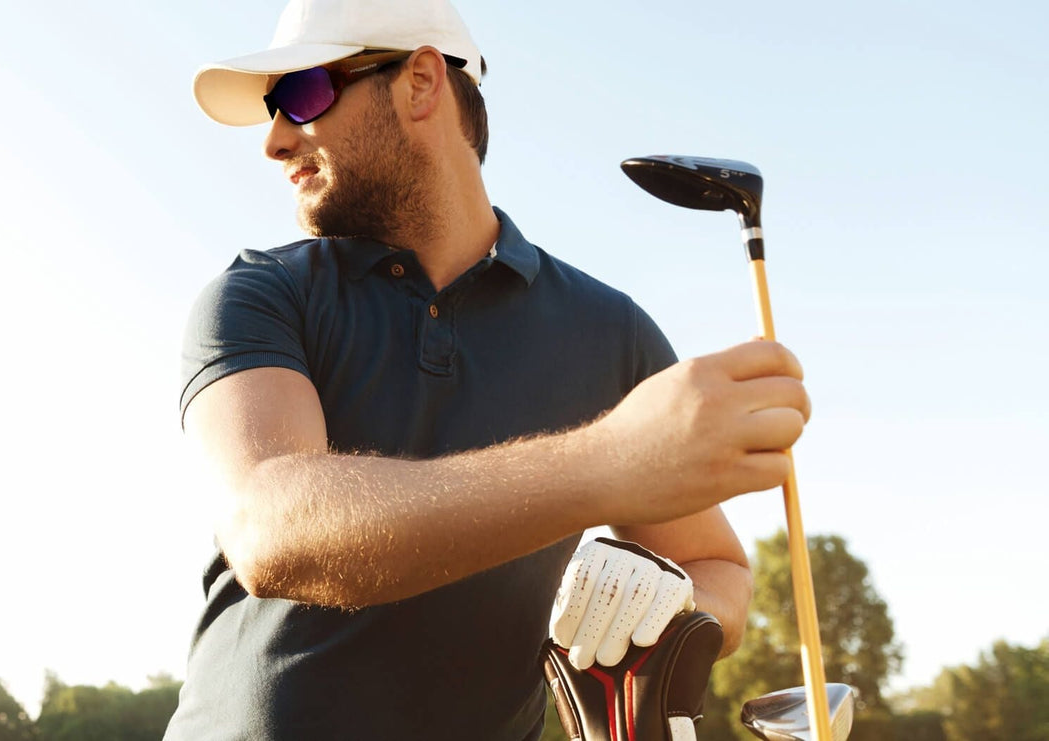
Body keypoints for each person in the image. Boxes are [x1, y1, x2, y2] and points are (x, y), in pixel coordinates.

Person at [166, 1, 809, 738]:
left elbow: (716, 570)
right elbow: (271, 527)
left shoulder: (609, 330)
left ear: (418, 83)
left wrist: (664, 608)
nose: (275, 141)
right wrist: (606, 462)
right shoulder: (257, 294)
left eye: (303, 93)